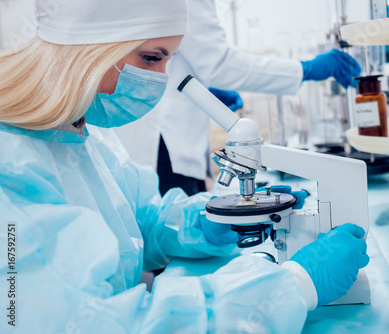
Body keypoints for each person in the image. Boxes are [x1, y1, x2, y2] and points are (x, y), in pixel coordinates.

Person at [0, 0, 368, 333]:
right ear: (89, 48)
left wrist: (205, 223)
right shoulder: (11, 169)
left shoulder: (76, 133)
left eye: (168, 61)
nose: (160, 78)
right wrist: (293, 284)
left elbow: (135, 217)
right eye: (150, 58)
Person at [114, 0, 362, 196]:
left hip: (165, 135)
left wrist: (205, 92)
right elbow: (219, 64)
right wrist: (304, 69)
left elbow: (183, 59)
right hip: (165, 144)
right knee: (175, 234)